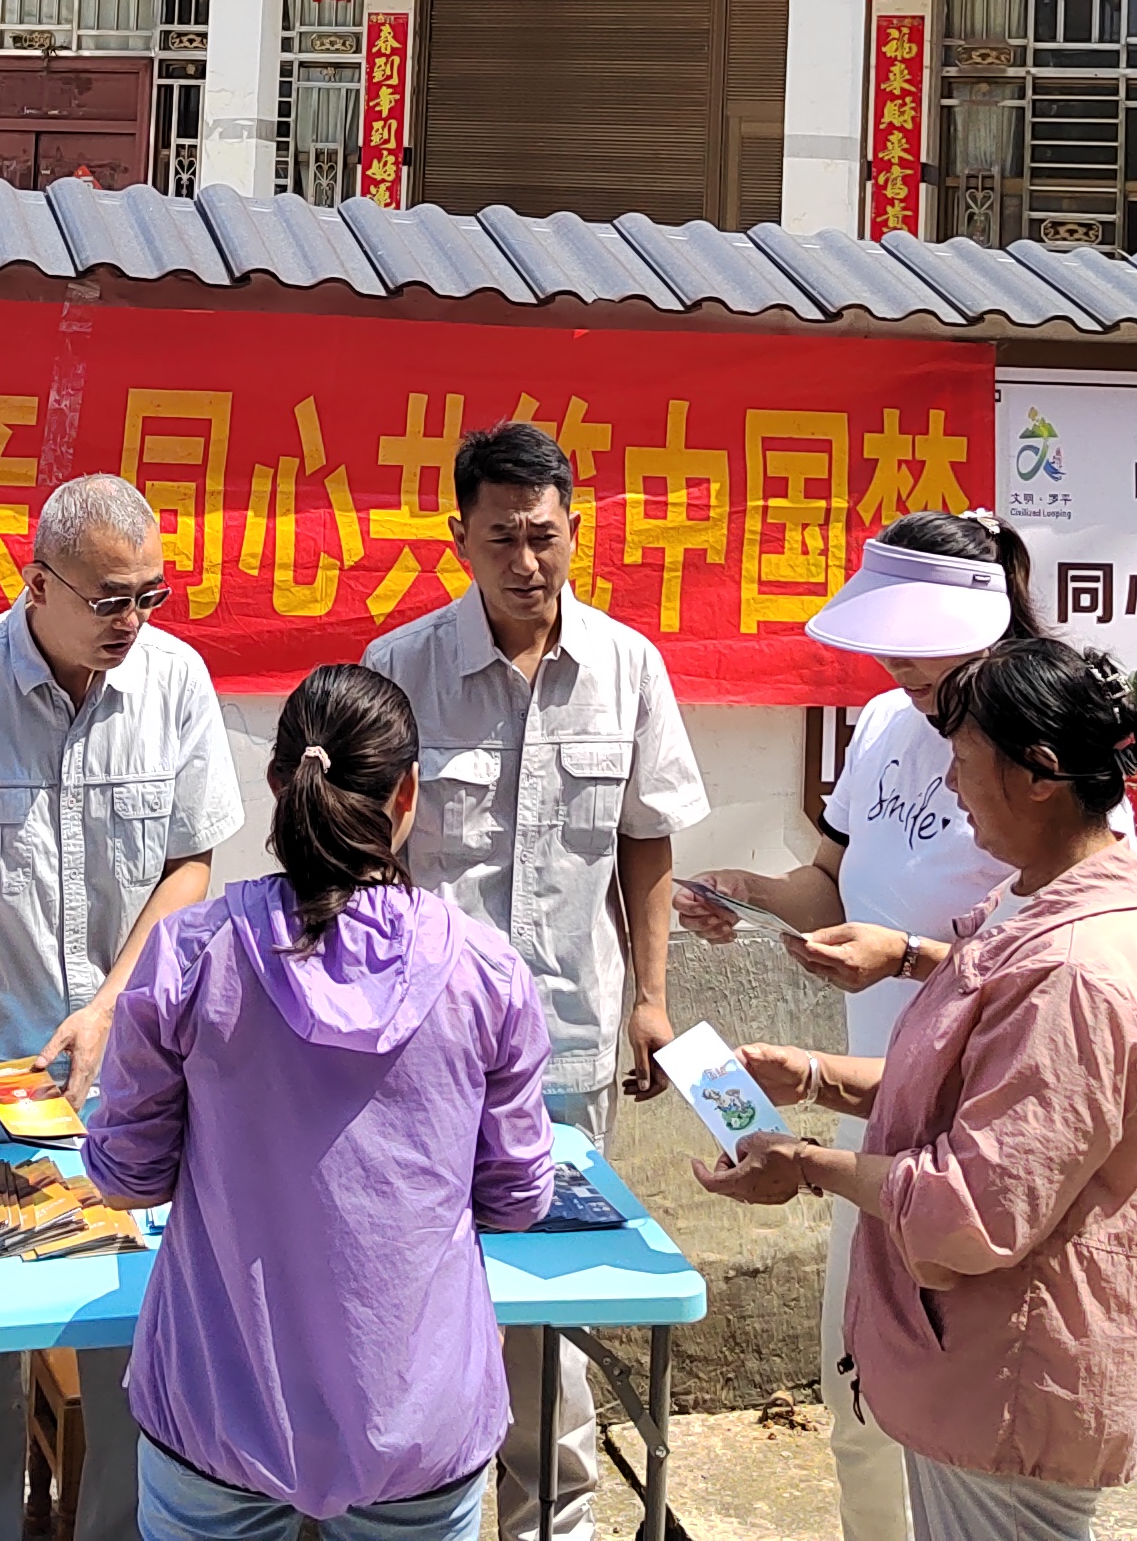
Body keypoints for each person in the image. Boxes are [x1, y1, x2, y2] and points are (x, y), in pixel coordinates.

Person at [691, 636, 1137, 1541]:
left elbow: (969, 1210)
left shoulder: (1073, 972)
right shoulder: (1041, 903)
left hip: (1011, 1375)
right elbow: (978, 1094)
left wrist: (804, 1166)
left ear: (1037, 774)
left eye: (962, 762)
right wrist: (817, 1078)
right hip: (979, 1362)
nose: (952, 788)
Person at [0, 472, 245, 1541]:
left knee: (129, 1336)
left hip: (130, 1081)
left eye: (150, 596)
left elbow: (190, 861)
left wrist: (114, 1004)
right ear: (38, 584)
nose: (132, 622)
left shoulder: (175, 682)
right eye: (109, 599)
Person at [83, 664, 558, 1541]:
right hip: (419, 1414)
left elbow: (127, 1176)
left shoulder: (190, 955)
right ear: (408, 794)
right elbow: (519, 1195)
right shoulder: (487, 973)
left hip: (218, 1403)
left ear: (278, 784)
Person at [365, 420, 707, 1541]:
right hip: (423, 1054)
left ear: (575, 529)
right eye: (502, 537)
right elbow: (368, 854)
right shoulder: (401, 668)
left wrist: (650, 1000)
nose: (526, 561)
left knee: (553, 1302)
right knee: (419, 1287)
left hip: (566, 1045)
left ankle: (553, 1520)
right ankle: (428, 1509)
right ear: (457, 536)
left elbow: (646, 841)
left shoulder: (628, 666)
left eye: (545, 535)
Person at [680, 511, 1044, 1541]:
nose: (899, 668)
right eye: (888, 646)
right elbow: (831, 882)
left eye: (919, 646)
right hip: (873, 1112)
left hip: (981, 1129)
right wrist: (752, 894)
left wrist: (908, 954)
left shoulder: (1045, 752)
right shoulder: (885, 723)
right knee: (859, 1401)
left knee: (960, 1418)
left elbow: (1059, 961)